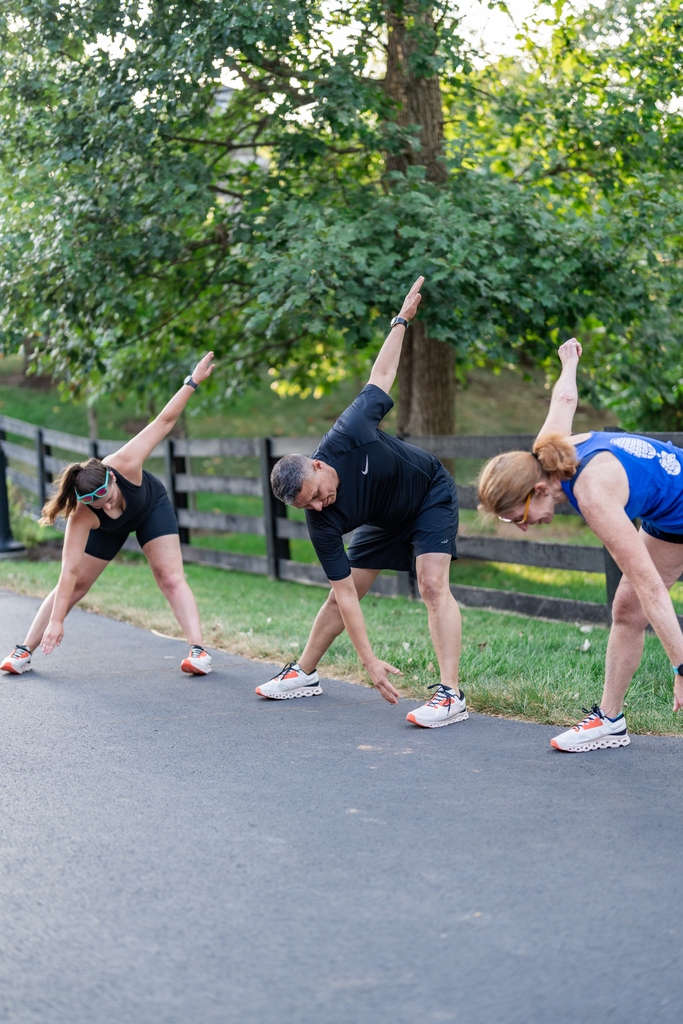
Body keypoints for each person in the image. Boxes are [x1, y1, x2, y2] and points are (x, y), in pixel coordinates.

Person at [257, 277, 468, 729]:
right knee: (338, 594)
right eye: (307, 508)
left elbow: (381, 376)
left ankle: (451, 695)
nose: (319, 507)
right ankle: (304, 673)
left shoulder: (348, 433)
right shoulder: (321, 520)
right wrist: (368, 660)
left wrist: (401, 321)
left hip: (428, 492)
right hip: (383, 518)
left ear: (317, 466)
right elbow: (348, 596)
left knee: (431, 584)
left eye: (316, 496)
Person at [477, 338, 683, 751]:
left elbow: (653, 589)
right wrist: (568, 362)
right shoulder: (545, 449)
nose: (521, 527)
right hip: (670, 513)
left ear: (537, 489)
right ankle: (610, 720)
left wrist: (682, 667)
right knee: (627, 609)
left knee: (637, 597)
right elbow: (565, 398)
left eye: (518, 517)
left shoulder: (592, 495)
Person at [1, 353, 216, 678]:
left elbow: (164, 421)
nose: (104, 505)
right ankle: (23, 651)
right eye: (93, 503)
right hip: (109, 532)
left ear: (112, 478)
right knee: (76, 586)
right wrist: (58, 621)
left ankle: (198, 652)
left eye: (104, 497)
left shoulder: (125, 461)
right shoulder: (85, 513)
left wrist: (193, 381)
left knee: (169, 577)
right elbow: (68, 572)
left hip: (149, 507)